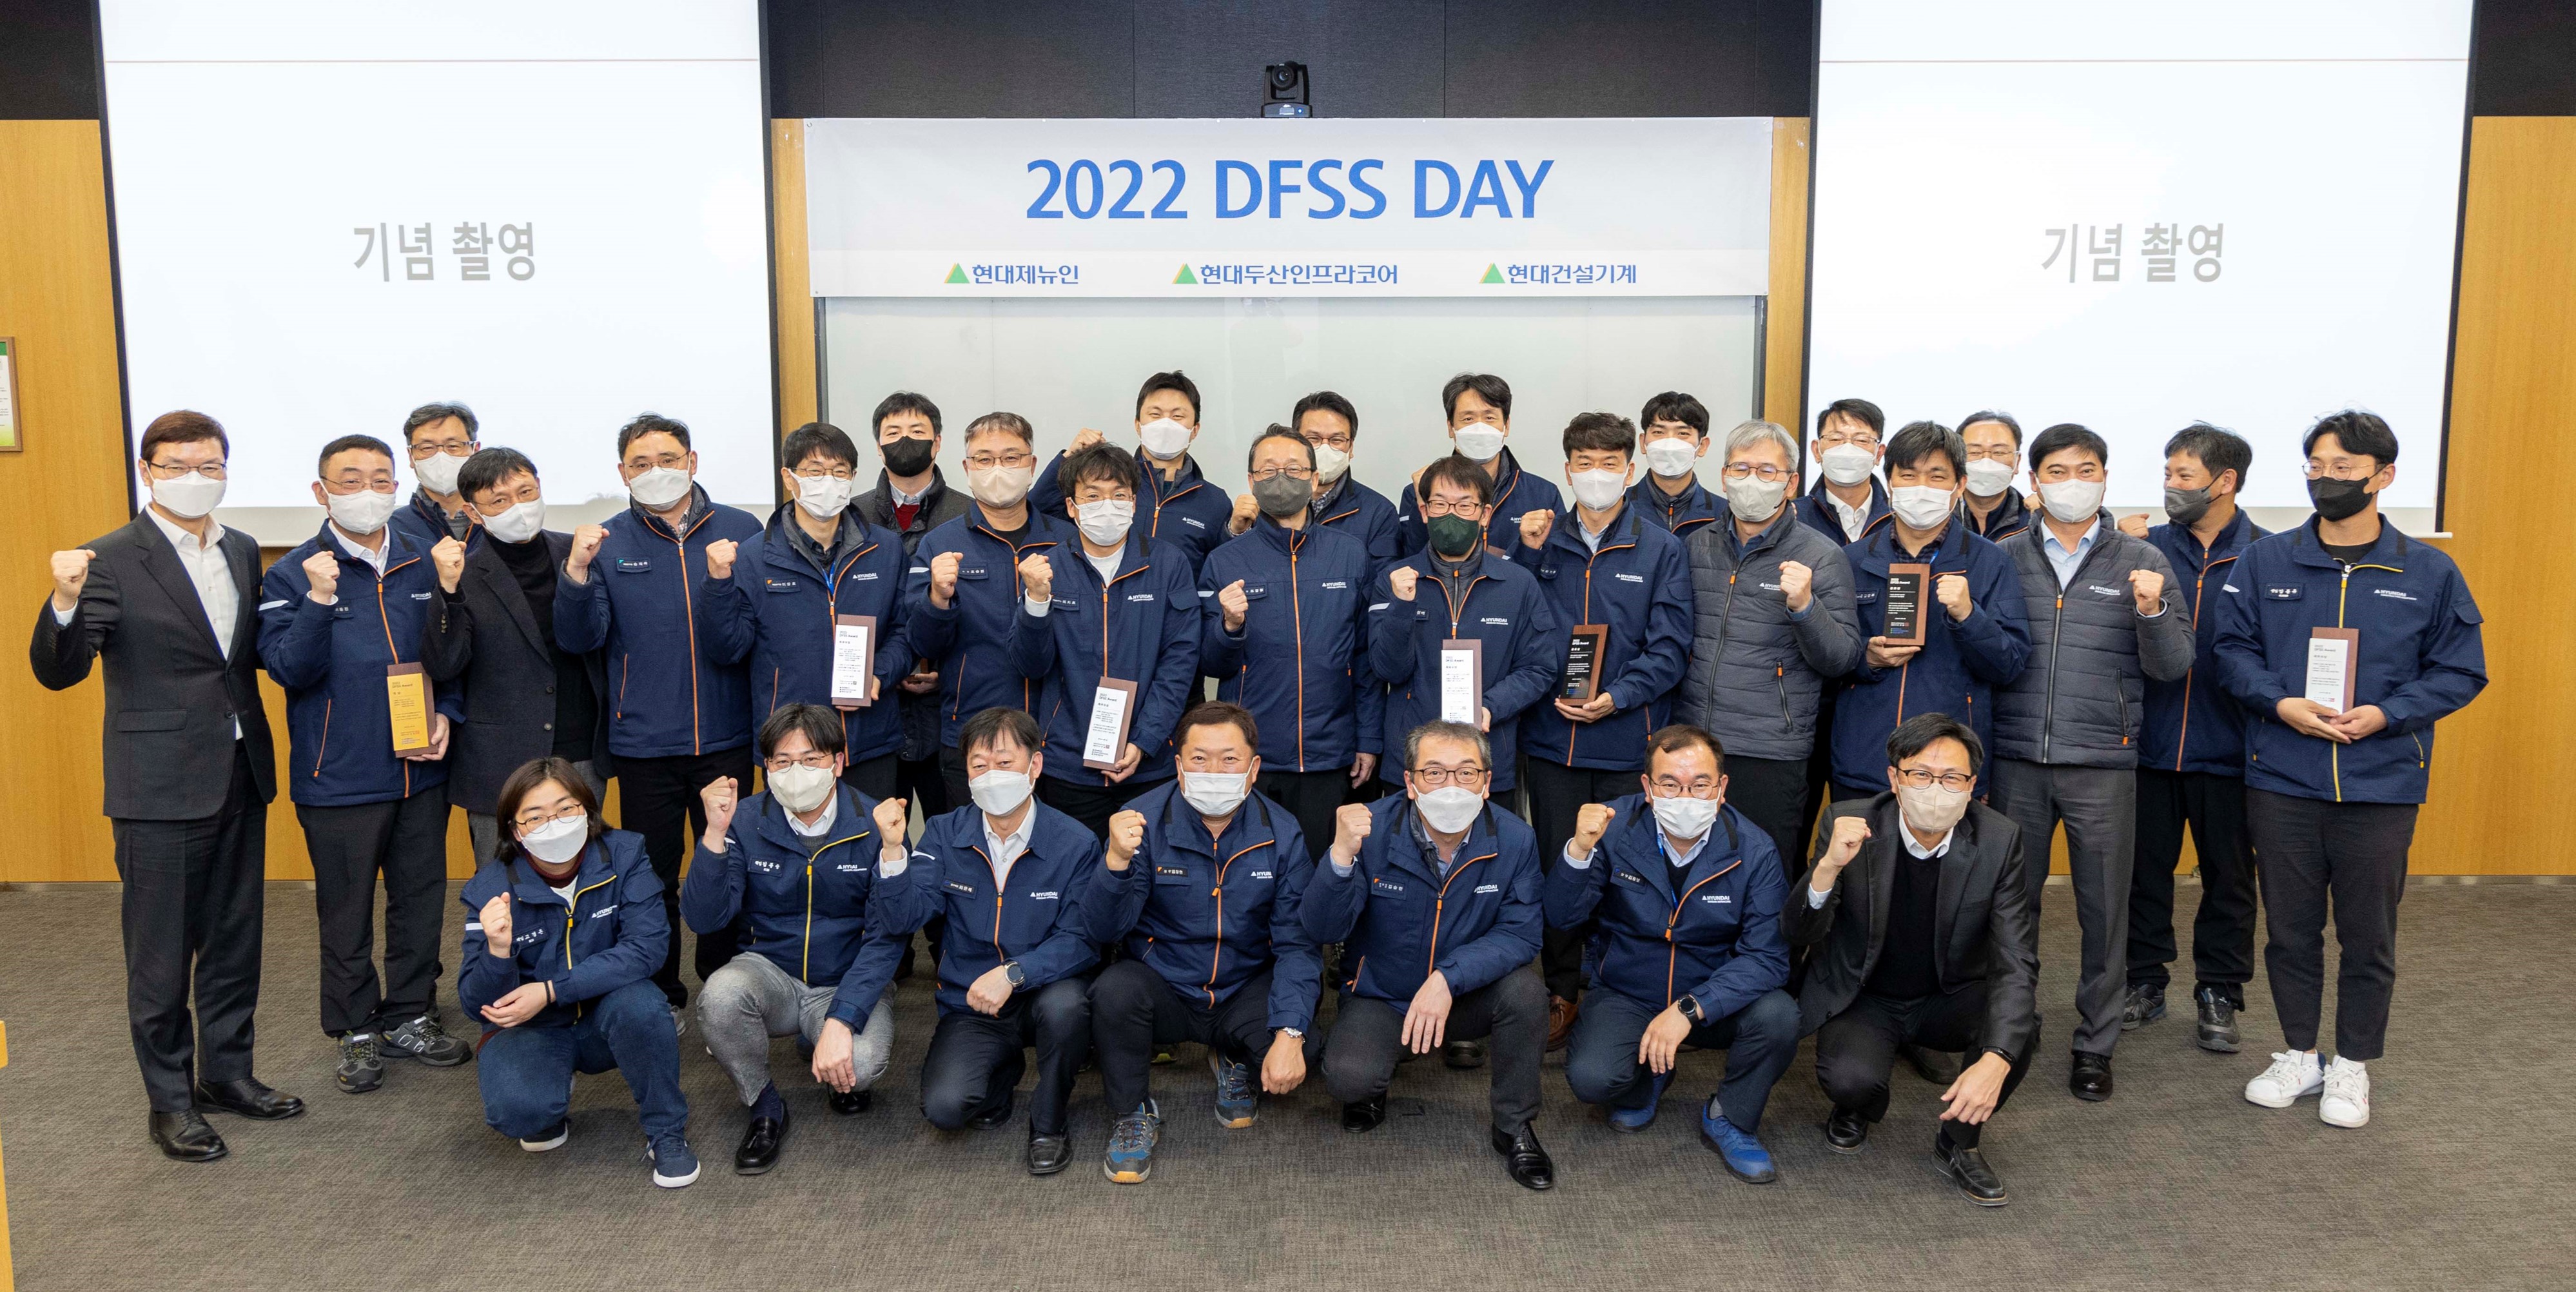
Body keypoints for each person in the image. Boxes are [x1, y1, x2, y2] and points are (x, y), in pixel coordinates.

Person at [32, 409, 300, 1160]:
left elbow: (234, 661)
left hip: (241, 770)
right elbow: (59, 671)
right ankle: (172, 1101)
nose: (195, 478)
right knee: (160, 954)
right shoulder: (109, 558)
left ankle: (229, 1075)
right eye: (177, 466)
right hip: (157, 785)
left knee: (235, 940)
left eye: (209, 465)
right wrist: (63, 601)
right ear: (147, 471)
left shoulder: (242, 548)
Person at [2214, 410, 2486, 1130]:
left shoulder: (2428, 570)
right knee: (2290, 929)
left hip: (2382, 780)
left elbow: (2461, 669)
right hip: (2283, 774)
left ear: (2383, 476)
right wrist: (2280, 703)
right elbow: (2231, 652)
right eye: (2316, 467)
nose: (2326, 480)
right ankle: (2299, 1053)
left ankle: (2354, 1063)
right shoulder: (2266, 560)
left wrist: (2388, 714)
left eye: (2343, 469)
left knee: (2368, 935)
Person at [259, 433, 474, 1094]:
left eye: (381, 479)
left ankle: (410, 1013)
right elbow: (289, 668)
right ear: (321, 492)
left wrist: (447, 714)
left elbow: (452, 656)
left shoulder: (421, 560)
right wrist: (320, 600)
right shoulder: (292, 573)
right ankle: (354, 1028)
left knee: (419, 901)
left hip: (420, 768)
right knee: (346, 910)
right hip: (339, 775)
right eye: (351, 480)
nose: (369, 492)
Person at [1987, 422, 2192, 1102]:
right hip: (2016, 757)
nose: (2070, 483)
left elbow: (2173, 665)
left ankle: (2095, 1046)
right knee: (2010, 909)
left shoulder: (2143, 559)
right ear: (2033, 481)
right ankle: (2011, 1032)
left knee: (2104, 911)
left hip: (2103, 761)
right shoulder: (2004, 555)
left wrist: (2152, 610)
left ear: (2104, 478)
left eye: (2085, 470)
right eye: (2056, 471)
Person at [555, 413, 764, 1010]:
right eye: (641, 464)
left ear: (692, 462)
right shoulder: (607, 541)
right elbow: (579, 638)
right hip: (644, 744)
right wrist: (576, 571)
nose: (656, 471)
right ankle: (663, 993)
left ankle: (725, 988)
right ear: (623, 473)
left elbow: (751, 632)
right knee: (654, 878)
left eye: (668, 460)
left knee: (727, 867)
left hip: (726, 737)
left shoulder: (742, 529)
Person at [1793, 714, 2039, 1208]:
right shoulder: (1849, 822)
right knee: (1850, 1080)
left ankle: (1959, 1143)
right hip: (1866, 994)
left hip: (1949, 995)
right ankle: (1862, 1102)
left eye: (1952, 778)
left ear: (1972, 786)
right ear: (1894, 778)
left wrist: (1997, 1058)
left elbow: (2016, 958)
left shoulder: (1999, 839)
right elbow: (1798, 932)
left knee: (2019, 1029)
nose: (1936, 789)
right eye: (1921, 775)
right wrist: (1829, 866)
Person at [1305, 720, 1553, 1189]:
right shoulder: (1371, 830)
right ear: (1410, 781)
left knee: (1526, 994)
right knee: (1348, 1079)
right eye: (1434, 772)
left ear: (1487, 782)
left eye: (1466, 773)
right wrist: (1339, 857)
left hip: (1465, 995)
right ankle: (1378, 1081)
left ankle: (1514, 1124)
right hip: (1385, 996)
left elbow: (1522, 935)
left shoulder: (1516, 838)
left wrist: (1447, 978)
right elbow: (1323, 929)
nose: (1451, 786)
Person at [1547, 725, 1797, 1184]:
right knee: (1592, 1080)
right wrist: (1579, 849)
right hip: (1627, 990)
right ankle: (1650, 1075)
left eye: (1700, 784)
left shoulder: (1755, 848)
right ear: (1647, 787)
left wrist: (1689, 1008)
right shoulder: (1612, 829)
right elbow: (1562, 917)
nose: (1685, 797)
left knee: (1779, 1015)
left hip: (1712, 995)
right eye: (1670, 784)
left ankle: (1731, 1117)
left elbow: (1768, 958)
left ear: (1721, 787)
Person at [1082, 702, 1320, 1183]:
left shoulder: (1282, 831)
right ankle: (1132, 1112)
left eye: (1229, 760)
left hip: (1242, 986)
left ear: (1254, 768)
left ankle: (1233, 1057)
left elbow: (1297, 944)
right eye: (1199, 759)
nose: (1214, 771)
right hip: (1165, 986)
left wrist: (1290, 1034)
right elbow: (1104, 931)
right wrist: (1115, 863)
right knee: (1114, 990)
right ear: (1178, 765)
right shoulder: (1139, 822)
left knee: (1306, 1050)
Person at [1512, 412, 1692, 1047]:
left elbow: (1670, 649)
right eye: (1585, 464)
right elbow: (1516, 628)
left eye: (1610, 464)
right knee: (1560, 865)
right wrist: (1524, 554)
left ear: (1630, 469)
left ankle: (1622, 992)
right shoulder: (1540, 543)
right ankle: (1560, 991)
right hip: (1551, 741)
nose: (1597, 475)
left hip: (1626, 740)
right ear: (1567, 471)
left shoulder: (1661, 548)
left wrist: (1617, 697)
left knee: (1627, 870)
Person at [682, 705, 914, 1174]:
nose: (796, 772)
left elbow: (890, 935)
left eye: (810, 759)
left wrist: (842, 1020)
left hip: (845, 977)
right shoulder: (745, 819)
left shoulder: (876, 822)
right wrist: (713, 834)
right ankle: (764, 1102)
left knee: (861, 1066)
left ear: (838, 762)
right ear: (766, 766)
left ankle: (823, 1040)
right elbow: (706, 918)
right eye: (782, 761)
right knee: (720, 997)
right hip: (769, 972)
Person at [459, 758, 696, 1188]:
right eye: (535, 816)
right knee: (519, 1113)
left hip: (609, 1012)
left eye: (565, 809)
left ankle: (666, 1131)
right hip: (535, 1028)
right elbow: (477, 1005)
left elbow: (647, 949)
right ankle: (549, 1094)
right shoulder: (490, 888)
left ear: (587, 810)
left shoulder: (625, 854)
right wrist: (497, 951)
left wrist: (551, 990)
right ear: (515, 830)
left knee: (644, 1007)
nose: (554, 824)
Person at [2115, 424, 2267, 1052]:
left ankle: (2219, 991)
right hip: (2148, 744)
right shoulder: (2144, 549)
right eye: (2168, 473)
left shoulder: (2267, 555)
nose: (2170, 486)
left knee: (2229, 879)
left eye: (2184, 476)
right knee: (2142, 874)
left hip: (2231, 751)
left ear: (2224, 482)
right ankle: (2143, 981)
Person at [905, 707, 1103, 1175]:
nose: (992, 775)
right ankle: (1001, 1072)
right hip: (973, 1002)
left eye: (1005, 762)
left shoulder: (1075, 842)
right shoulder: (943, 833)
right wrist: (894, 856)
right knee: (946, 1108)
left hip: (1044, 993)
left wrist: (1015, 973)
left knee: (1067, 1009)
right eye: (979, 765)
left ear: (1035, 766)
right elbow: (908, 917)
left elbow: (1083, 939)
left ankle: (1049, 1121)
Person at [1677, 418, 1863, 886]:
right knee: (1694, 872)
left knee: (1764, 877)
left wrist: (1806, 607)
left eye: (1767, 471)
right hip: (1695, 745)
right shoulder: (1695, 547)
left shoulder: (1821, 556)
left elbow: (1842, 658)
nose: (1752, 481)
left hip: (1770, 749)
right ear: (1724, 476)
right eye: (1741, 469)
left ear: (1791, 482)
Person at [698, 421, 914, 799]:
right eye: (815, 471)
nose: (828, 481)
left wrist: (880, 673)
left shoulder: (886, 549)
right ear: (789, 478)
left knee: (874, 834)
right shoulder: (752, 556)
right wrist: (717, 584)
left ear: (853, 478)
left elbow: (903, 631)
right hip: (791, 747)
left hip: (870, 739)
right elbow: (727, 649)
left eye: (839, 472)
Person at [422, 447, 610, 867]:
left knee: (581, 875)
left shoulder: (577, 553)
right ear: (473, 513)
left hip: (578, 744)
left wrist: (578, 571)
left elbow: (585, 639)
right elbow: (445, 666)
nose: (518, 507)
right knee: (502, 881)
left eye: (526, 492)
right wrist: (448, 591)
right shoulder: (463, 571)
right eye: (500, 501)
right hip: (499, 758)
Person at [1199, 429, 1381, 850]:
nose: (1281, 478)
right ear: (1251, 480)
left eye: (1294, 469)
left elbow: (1365, 657)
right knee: (1252, 871)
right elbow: (1210, 664)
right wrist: (1229, 627)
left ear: (1314, 479)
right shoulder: (1224, 561)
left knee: (1320, 870)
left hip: (1329, 754)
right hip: (1251, 754)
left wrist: (1368, 740)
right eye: (1268, 470)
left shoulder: (1350, 554)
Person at [1830, 422, 2031, 801]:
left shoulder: (1990, 562)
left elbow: (2009, 665)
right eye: (1909, 476)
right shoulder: (1850, 560)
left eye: (1937, 477)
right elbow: (1826, 656)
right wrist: (1865, 658)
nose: (1921, 487)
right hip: (1864, 756)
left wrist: (1969, 617)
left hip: (1948, 767)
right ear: (1890, 483)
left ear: (1959, 485)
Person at [1013, 442, 1202, 837]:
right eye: (1093, 496)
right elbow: (1031, 665)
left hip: (1150, 764)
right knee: (1076, 867)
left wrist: (1145, 741)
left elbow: (1179, 663)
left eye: (1119, 495)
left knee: (1147, 867)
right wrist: (1036, 600)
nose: (1108, 506)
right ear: (1071, 507)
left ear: (1133, 503)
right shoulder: (1047, 569)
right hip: (1069, 763)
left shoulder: (1168, 564)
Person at [1368, 453, 1561, 804]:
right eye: (1440, 504)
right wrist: (1401, 607)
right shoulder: (1395, 579)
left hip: (1487, 760)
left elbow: (1539, 667)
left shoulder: (1518, 583)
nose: (1451, 515)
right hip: (1412, 764)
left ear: (1485, 514)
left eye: (1464, 505)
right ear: (1424, 511)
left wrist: (1490, 707)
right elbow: (1388, 670)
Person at [904, 411, 1069, 813]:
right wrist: (937, 598)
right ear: (967, 469)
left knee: (1057, 846)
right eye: (984, 459)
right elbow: (923, 644)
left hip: (1058, 735)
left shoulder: (1067, 543)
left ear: (1032, 465)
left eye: (1011, 458)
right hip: (972, 736)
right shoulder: (939, 544)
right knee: (970, 845)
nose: (998, 469)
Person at [855, 391, 970, 826]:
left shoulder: (969, 513)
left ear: (937, 443)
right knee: (879, 838)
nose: (906, 441)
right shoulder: (852, 517)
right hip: (875, 711)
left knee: (954, 833)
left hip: (950, 711)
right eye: (894, 432)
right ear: (878, 446)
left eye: (917, 431)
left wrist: (945, 667)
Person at [1033, 370, 1233, 576]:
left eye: (1177, 416)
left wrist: (1236, 531)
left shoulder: (1214, 502)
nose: (1166, 424)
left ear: (1195, 429)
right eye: (1155, 415)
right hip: (1105, 593)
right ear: (1138, 425)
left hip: (1179, 597)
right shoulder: (1109, 486)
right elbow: (1036, 512)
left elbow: (1221, 570)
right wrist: (1068, 458)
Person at [1394, 373, 1564, 555]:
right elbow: (1410, 560)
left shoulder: (1543, 494)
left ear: (1506, 425)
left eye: (1490, 418)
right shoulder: (1417, 491)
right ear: (1451, 428)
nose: (1480, 428)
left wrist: (1528, 549)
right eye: (1468, 419)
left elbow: (1557, 563)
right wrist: (1425, 503)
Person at [1292, 391, 1403, 579]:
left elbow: (1382, 585)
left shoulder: (1379, 513)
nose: (1325, 448)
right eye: (1313, 439)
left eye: (1336, 440)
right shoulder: (1272, 501)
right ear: (1294, 442)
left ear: (1351, 447)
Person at [1795, 397, 1891, 546]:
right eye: (1835, 439)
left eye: (1862, 440)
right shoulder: (1793, 517)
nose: (1848, 449)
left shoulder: (1900, 518)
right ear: (1817, 451)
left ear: (1879, 454)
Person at [1631, 391, 1722, 543]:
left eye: (1683, 433)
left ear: (1702, 446)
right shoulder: (1619, 509)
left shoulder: (1724, 514)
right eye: (1659, 432)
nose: (1670, 444)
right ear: (1643, 443)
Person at [389, 401, 482, 550]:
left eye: (453, 446)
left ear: (475, 450)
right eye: (427, 448)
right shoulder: (391, 529)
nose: (441, 456)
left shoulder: (499, 518)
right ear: (411, 456)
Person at [1956, 411, 2033, 542]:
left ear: (2017, 461)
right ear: (1956, 458)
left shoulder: (2033, 521)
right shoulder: (1937, 517)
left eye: (1999, 452)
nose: (1986, 461)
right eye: (1974, 452)